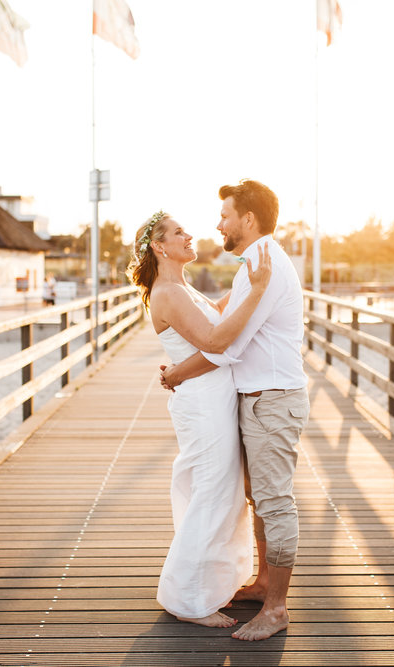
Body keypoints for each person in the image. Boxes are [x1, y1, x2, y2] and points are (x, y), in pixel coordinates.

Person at [161, 179, 310, 641]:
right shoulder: (253, 266)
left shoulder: (265, 265)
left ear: (247, 219)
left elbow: (225, 344)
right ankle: (265, 582)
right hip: (256, 400)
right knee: (258, 498)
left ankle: (277, 608)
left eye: (225, 215)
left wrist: (177, 373)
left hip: (273, 399)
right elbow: (223, 314)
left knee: (274, 502)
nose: (218, 224)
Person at [128, 209, 272, 629]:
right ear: (159, 247)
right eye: (178, 233)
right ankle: (187, 599)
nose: (189, 236)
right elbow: (215, 343)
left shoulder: (180, 286)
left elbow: (218, 313)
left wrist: (247, 279)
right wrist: (259, 291)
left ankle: (208, 584)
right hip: (204, 405)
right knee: (212, 494)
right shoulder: (168, 292)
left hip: (214, 400)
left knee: (220, 493)